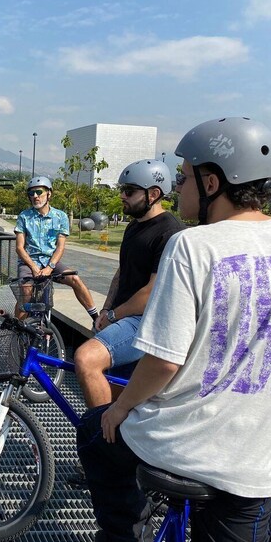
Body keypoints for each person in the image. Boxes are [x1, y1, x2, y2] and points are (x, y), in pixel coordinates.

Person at [76, 117, 271, 542]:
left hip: (186, 442)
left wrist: (121, 407)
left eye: (185, 177)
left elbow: (164, 362)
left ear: (212, 182)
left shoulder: (193, 246)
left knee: (96, 433)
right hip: (257, 459)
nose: (179, 187)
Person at [74, 159, 183, 409]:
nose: (122, 195)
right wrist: (105, 310)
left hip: (144, 320)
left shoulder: (170, 233)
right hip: (122, 316)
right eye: (122, 189)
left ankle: (99, 438)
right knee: (114, 390)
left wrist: (113, 315)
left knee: (87, 359)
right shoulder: (134, 226)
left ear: (154, 194)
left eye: (130, 191)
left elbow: (151, 292)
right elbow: (122, 272)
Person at [15, 176, 99, 322]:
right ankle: (18, 331)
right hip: (29, 262)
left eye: (39, 192)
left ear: (49, 194)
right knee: (26, 291)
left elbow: (60, 246)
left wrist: (50, 267)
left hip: (51, 261)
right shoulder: (24, 216)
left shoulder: (60, 216)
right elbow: (19, 248)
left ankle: (97, 319)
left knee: (75, 279)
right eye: (31, 193)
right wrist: (34, 267)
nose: (35, 196)